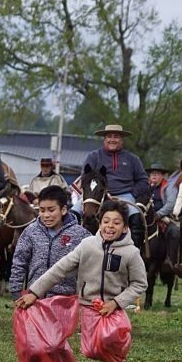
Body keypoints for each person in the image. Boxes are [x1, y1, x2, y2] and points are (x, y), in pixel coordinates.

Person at [16, 199, 148, 315]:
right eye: (106, 221)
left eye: (117, 223)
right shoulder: (87, 245)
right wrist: (34, 293)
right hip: (87, 308)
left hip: (114, 310)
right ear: (100, 224)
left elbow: (139, 283)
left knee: (112, 342)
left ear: (125, 228)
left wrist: (117, 302)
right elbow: (60, 269)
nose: (110, 226)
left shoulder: (131, 253)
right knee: (89, 344)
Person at [10, 186, 91, 300]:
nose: (46, 215)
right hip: (34, 299)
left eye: (51, 210)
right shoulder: (31, 231)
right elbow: (19, 261)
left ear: (63, 210)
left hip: (67, 302)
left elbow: (91, 267)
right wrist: (16, 291)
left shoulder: (80, 235)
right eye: (42, 210)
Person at [80, 124, 149, 250]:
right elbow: (85, 178)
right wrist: (102, 193)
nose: (112, 139)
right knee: (73, 213)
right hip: (96, 195)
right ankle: (73, 251)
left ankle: (134, 252)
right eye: (109, 136)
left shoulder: (133, 159)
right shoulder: (93, 156)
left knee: (136, 218)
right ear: (104, 139)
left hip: (125, 196)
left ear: (121, 139)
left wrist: (133, 194)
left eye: (116, 136)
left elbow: (143, 180)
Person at [147, 162, 180, 273]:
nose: (154, 176)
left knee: (174, 231)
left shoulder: (169, 187)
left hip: (164, 216)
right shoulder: (146, 187)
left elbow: (171, 204)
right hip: (147, 217)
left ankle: (171, 259)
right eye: (152, 174)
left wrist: (159, 214)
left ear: (162, 176)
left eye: (157, 174)